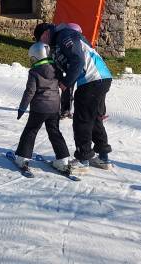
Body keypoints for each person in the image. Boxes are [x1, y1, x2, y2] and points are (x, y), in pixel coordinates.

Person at [34, 22, 113, 170]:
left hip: (92, 80)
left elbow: (78, 61)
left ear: (44, 34)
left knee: (81, 120)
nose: (43, 46)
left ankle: (83, 159)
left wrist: (66, 83)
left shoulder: (64, 36)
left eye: (41, 42)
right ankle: (103, 157)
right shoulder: (63, 39)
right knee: (94, 117)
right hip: (101, 77)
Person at [12, 42, 80, 174]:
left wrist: (22, 108)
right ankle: (63, 160)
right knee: (55, 132)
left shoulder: (34, 72)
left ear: (36, 56)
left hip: (39, 108)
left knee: (31, 131)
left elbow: (29, 92)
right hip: (54, 108)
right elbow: (63, 84)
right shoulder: (56, 69)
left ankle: (23, 158)